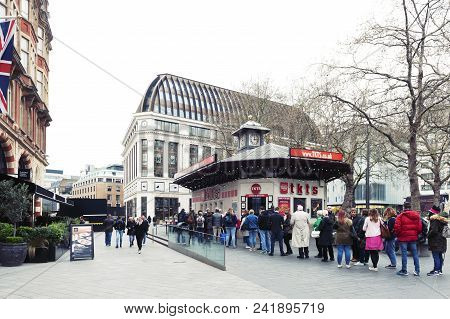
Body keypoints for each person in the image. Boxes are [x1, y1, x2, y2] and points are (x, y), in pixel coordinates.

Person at [394, 202, 422, 276]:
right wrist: (415, 233)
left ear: (404, 207)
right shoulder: (416, 216)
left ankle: (404, 270)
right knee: (415, 254)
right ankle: (417, 270)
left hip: (403, 238)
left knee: (404, 254)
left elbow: (397, 228)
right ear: (410, 207)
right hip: (413, 238)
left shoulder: (400, 216)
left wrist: (399, 234)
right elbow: (419, 228)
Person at [427, 207, 447, 276]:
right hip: (442, 240)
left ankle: (436, 271)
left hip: (435, 240)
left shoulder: (435, 220)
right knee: (439, 255)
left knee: (436, 256)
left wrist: (428, 235)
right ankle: (439, 270)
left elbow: (434, 231)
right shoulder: (442, 220)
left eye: (430, 212)